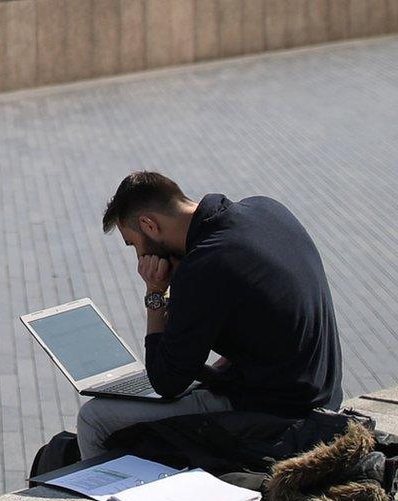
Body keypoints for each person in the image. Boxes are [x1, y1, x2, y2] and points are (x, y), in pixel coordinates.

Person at [76, 171, 342, 459]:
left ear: (149, 225)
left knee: (94, 418)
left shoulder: (204, 265)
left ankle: (97, 500)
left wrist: (155, 293)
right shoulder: (266, 209)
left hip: (277, 413)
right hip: (323, 393)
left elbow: (167, 383)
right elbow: (270, 323)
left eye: (134, 245)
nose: (140, 257)